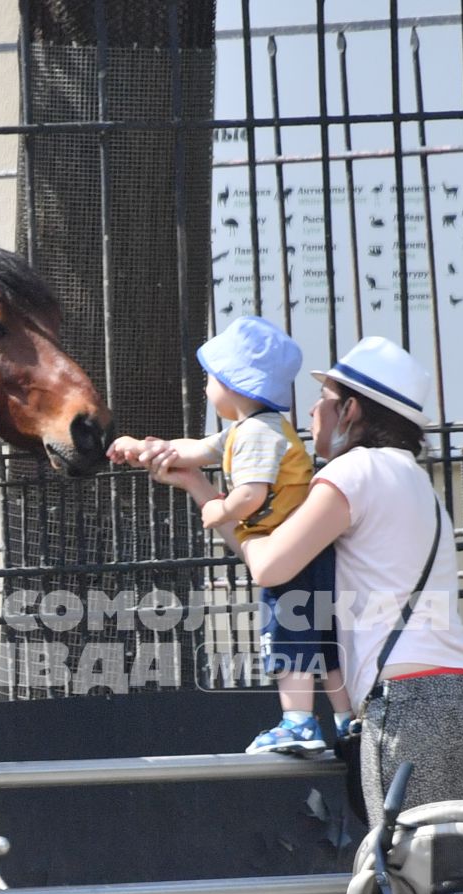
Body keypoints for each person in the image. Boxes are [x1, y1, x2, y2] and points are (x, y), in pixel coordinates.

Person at [140, 334, 463, 818]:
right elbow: (279, 553)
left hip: (409, 702)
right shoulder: (414, 479)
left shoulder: (353, 472)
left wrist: (210, 499)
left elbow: (271, 564)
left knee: (412, 865)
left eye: (324, 399)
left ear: (352, 410)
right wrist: (196, 481)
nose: (312, 411)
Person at [108, 315, 352, 755]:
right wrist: (140, 449)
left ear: (235, 383)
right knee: (324, 639)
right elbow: (193, 450)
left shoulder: (257, 434)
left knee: (289, 636)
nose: (205, 388)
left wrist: (221, 507)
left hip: (288, 550)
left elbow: (252, 494)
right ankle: (346, 719)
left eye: (211, 378)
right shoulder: (251, 429)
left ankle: (298, 723)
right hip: (308, 548)